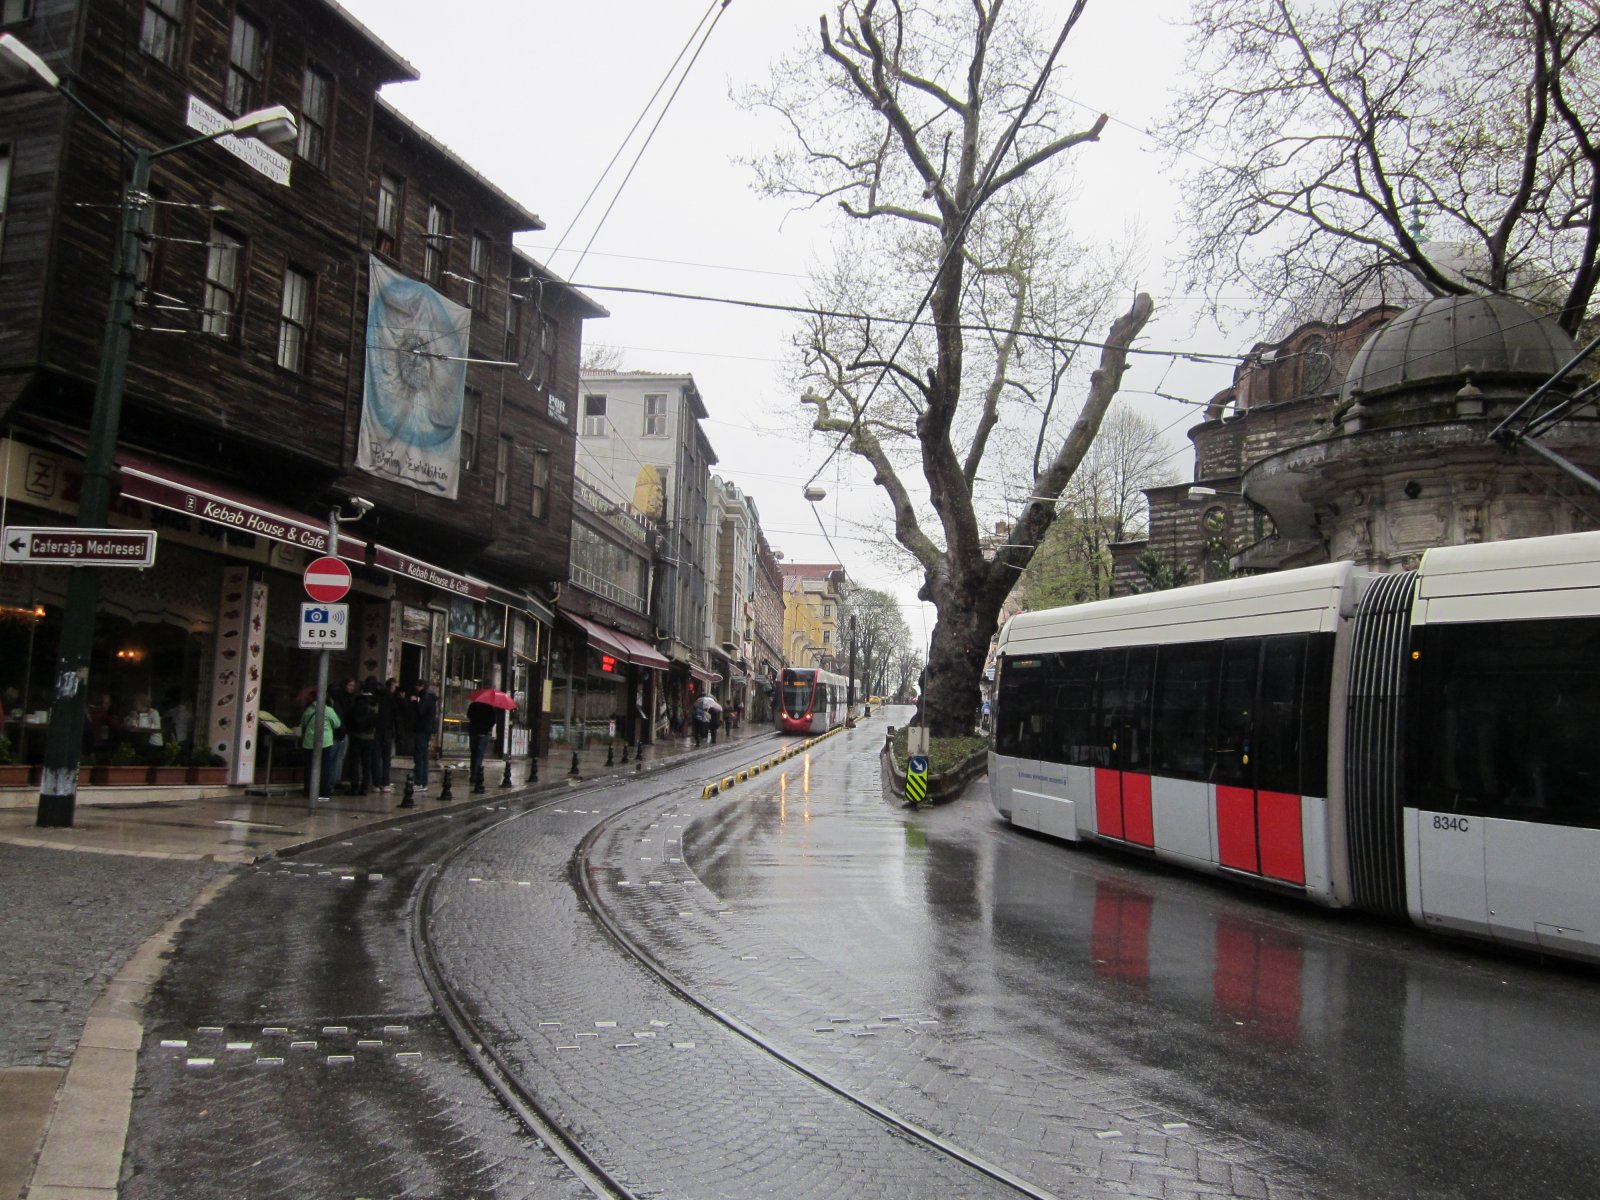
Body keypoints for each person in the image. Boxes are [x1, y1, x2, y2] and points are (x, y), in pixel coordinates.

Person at [299, 689, 341, 801]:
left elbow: (303, 723)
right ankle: (323, 792)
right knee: (325, 768)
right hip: (324, 742)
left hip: (309, 742)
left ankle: (308, 790)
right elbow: (337, 724)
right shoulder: (328, 710)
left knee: (309, 767)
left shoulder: (309, 710)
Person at [346, 679, 380, 796]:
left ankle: (354, 786)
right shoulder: (375, 703)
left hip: (357, 736)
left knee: (355, 763)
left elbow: (351, 716)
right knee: (367, 763)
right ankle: (364, 787)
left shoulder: (359, 701)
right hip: (370, 736)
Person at [325, 678, 357, 794]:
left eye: (353, 685)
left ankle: (334, 781)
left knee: (337, 758)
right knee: (335, 758)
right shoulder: (335, 702)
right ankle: (332, 782)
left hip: (342, 732)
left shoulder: (341, 701)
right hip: (338, 733)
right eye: (349, 685)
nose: (351, 688)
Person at [466, 687, 499, 790]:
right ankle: (475, 776)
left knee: (474, 754)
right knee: (479, 755)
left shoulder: (473, 705)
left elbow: (469, 715)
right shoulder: (490, 708)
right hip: (484, 734)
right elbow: (493, 721)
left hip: (473, 732)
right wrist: (487, 728)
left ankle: (473, 774)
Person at [410, 678, 438, 787]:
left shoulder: (425, 697)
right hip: (426, 729)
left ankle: (419, 782)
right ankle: (422, 781)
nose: (416, 688)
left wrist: (414, 701)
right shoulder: (428, 697)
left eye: (417, 686)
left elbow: (421, 711)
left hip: (422, 729)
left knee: (420, 756)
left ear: (421, 686)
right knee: (423, 755)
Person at [372, 677, 397, 792]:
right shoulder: (390, 699)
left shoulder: (377, 698)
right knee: (386, 758)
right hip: (386, 730)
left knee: (376, 757)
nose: (395, 688)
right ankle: (385, 782)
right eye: (394, 686)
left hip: (377, 730)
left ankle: (376, 783)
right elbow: (395, 714)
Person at [124, 693, 164, 763]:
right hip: (141, 742)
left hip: (153, 743)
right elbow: (127, 724)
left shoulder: (153, 712)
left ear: (141, 704)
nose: (133, 706)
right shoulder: (136, 713)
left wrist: (138, 720)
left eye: (135, 703)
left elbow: (155, 727)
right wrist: (133, 718)